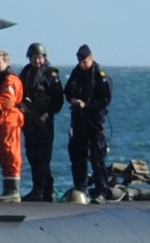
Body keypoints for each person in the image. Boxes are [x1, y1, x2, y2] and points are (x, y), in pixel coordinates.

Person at [19, 42, 66, 202]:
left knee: (43, 157)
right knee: (32, 155)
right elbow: (20, 92)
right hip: (29, 122)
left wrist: (48, 113)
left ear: (44, 58)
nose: (36, 61)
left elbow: (58, 100)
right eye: (33, 58)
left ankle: (40, 190)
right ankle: (46, 190)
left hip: (44, 122)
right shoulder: (26, 72)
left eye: (39, 58)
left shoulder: (50, 75)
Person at [66, 43, 113, 198]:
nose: (82, 64)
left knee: (97, 158)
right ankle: (81, 188)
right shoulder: (76, 72)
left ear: (91, 58)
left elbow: (105, 99)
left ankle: (102, 191)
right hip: (79, 120)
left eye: (85, 61)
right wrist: (73, 100)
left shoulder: (100, 75)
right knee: (78, 156)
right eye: (80, 62)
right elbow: (67, 91)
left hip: (94, 121)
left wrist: (87, 105)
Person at [0, 50, 25, 203]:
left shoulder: (10, 80)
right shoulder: (2, 79)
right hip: (2, 122)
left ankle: (14, 191)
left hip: (10, 120)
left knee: (11, 154)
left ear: (6, 63)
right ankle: (8, 190)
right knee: (4, 155)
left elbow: (8, 99)